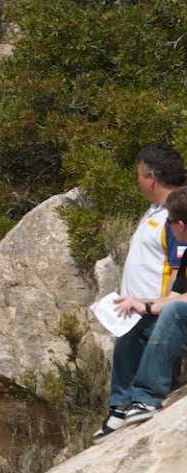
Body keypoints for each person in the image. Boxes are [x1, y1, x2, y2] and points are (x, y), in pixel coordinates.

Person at [94, 144, 186, 440]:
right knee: (127, 342)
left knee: (140, 343)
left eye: (138, 175)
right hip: (143, 307)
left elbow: (179, 266)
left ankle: (127, 405)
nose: (137, 181)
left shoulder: (176, 214)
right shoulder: (157, 211)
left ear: (151, 178)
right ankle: (119, 409)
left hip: (160, 314)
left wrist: (157, 305)